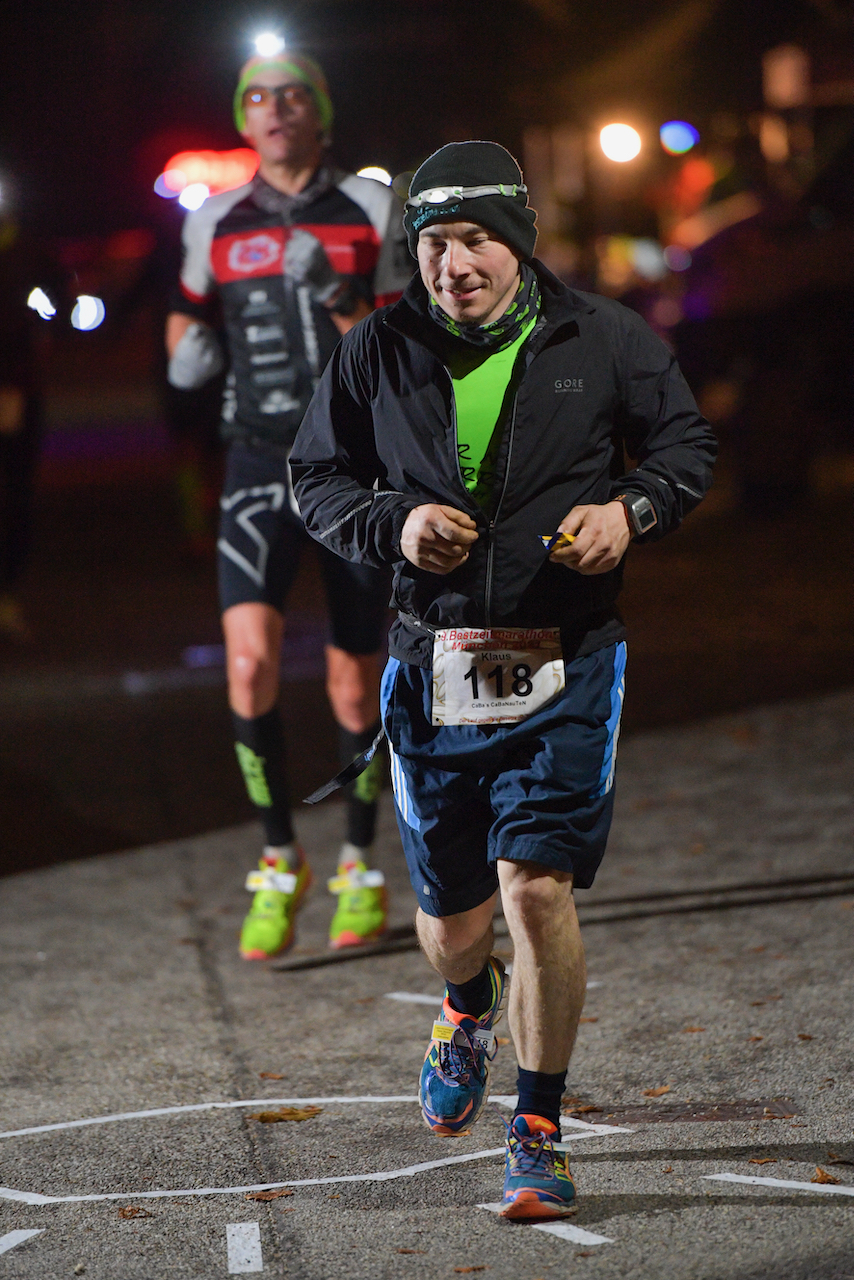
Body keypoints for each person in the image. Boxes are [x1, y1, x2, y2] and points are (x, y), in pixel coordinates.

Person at [291, 141, 716, 1217]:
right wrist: (391, 521)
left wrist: (629, 512)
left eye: (475, 238)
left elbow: (684, 447)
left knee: (535, 888)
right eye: (433, 244)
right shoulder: (375, 350)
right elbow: (314, 475)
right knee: (455, 921)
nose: (453, 263)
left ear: (516, 242)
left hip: (566, 658)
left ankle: (536, 1122)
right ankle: (460, 1001)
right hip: (432, 661)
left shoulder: (602, 337)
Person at [165, 51, 412, 957]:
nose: (276, 109)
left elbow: (401, 347)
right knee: (247, 666)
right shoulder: (216, 220)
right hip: (257, 458)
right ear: (244, 119)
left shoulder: (372, 210)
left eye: (294, 94)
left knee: (354, 679)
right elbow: (188, 311)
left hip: (349, 465)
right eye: (258, 97)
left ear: (321, 114)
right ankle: (278, 860)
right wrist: (185, 350)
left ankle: (357, 862)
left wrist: (341, 293)